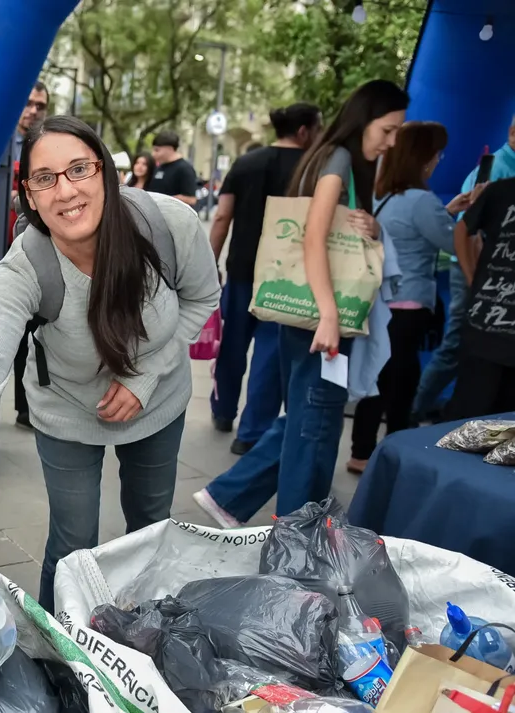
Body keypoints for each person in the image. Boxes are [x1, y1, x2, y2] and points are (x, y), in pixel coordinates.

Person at [0, 116, 220, 612]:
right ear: (29, 195)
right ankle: (61, 652)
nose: (66, 191)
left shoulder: (167, 224)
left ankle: (155, 635)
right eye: (45, 178)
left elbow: (203, 298)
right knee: (73, 542)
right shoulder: (25, 267)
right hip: (68, 408)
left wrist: (143, 376)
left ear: (105, 174)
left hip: (159, 399)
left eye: (79, 169)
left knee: (151, 524)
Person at [193, 79, 409, 528]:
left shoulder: (332, 157)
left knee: (310, 420)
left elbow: (324, 225)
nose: (390, 142)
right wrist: (329, 314)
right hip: (320, 316)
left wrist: (365, 226)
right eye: (387, 130)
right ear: (364, 120)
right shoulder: (340, 159)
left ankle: (232, 499)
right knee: (313, 426)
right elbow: (314, 233)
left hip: (311, 314)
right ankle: (294, 537)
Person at [347, 122, 477, 472]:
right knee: (401, 383)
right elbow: (453, 243)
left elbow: (407, 230)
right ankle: (395, 454)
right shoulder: (421, 200)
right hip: (408, 302)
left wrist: (446, 212)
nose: (439, 160)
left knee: (379, 377)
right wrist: (474, 214)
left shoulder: (382, 195)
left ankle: (361, 451)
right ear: (424, 159)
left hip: (381, 300)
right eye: (437, 153)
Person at [209, 103, 323, 455]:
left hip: (242, 268)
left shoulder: (246, 162)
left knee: (231, 344)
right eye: (318, 128)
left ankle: (223, 411)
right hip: (284, 276)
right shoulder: (312, 170)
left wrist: (209, 263)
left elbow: (222, 216)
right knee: (270, 352)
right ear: (304, 131)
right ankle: (251, 433)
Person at [412, 116, 515, 422]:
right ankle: (410, 411)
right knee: (458, 345)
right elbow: (467, 230)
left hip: (488, 277)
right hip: (477, 272)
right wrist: (475, 278)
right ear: (512, 132)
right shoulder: (496, 169)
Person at [446, 176, 515, 418]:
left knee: (506, 429)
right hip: (485, 326)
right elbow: (463, 229)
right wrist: (470, 277)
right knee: (469, 417)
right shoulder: (502, 190)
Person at [10, 81, 51, 430]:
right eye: (29, 102)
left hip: (35, 250)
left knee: (36, 332)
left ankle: (29, 407)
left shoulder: (45, 147)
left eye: (41, 105)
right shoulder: (1, 144)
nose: (34, 110)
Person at [148, 130, 198, 206]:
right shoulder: (159, 167)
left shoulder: (184, 169)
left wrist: (164, 200)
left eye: (157, 150)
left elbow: (191, 199)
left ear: (169, 149)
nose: (153, 154)